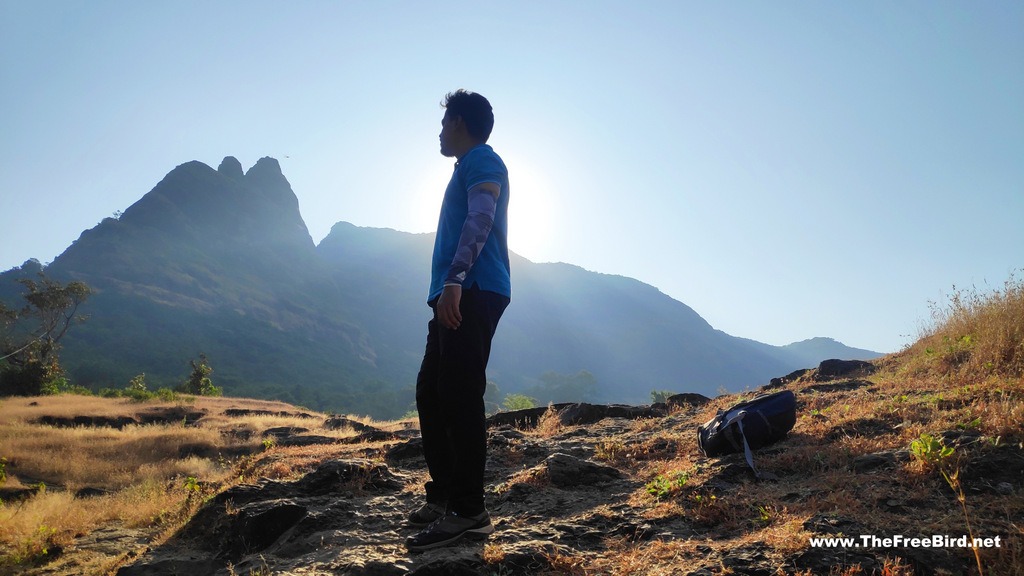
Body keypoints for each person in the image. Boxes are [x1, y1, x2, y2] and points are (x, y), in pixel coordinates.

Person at [405, 89, 511, 552]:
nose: (440, 131)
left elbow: (481, 217)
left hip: (472, 289)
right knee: (432, 391)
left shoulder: (483, 159)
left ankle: (469, 512)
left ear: (461, 122)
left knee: (460, 393)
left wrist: (456, 279)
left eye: (445, 121)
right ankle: (447, 495)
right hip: (453, 292)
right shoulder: (466, 166)